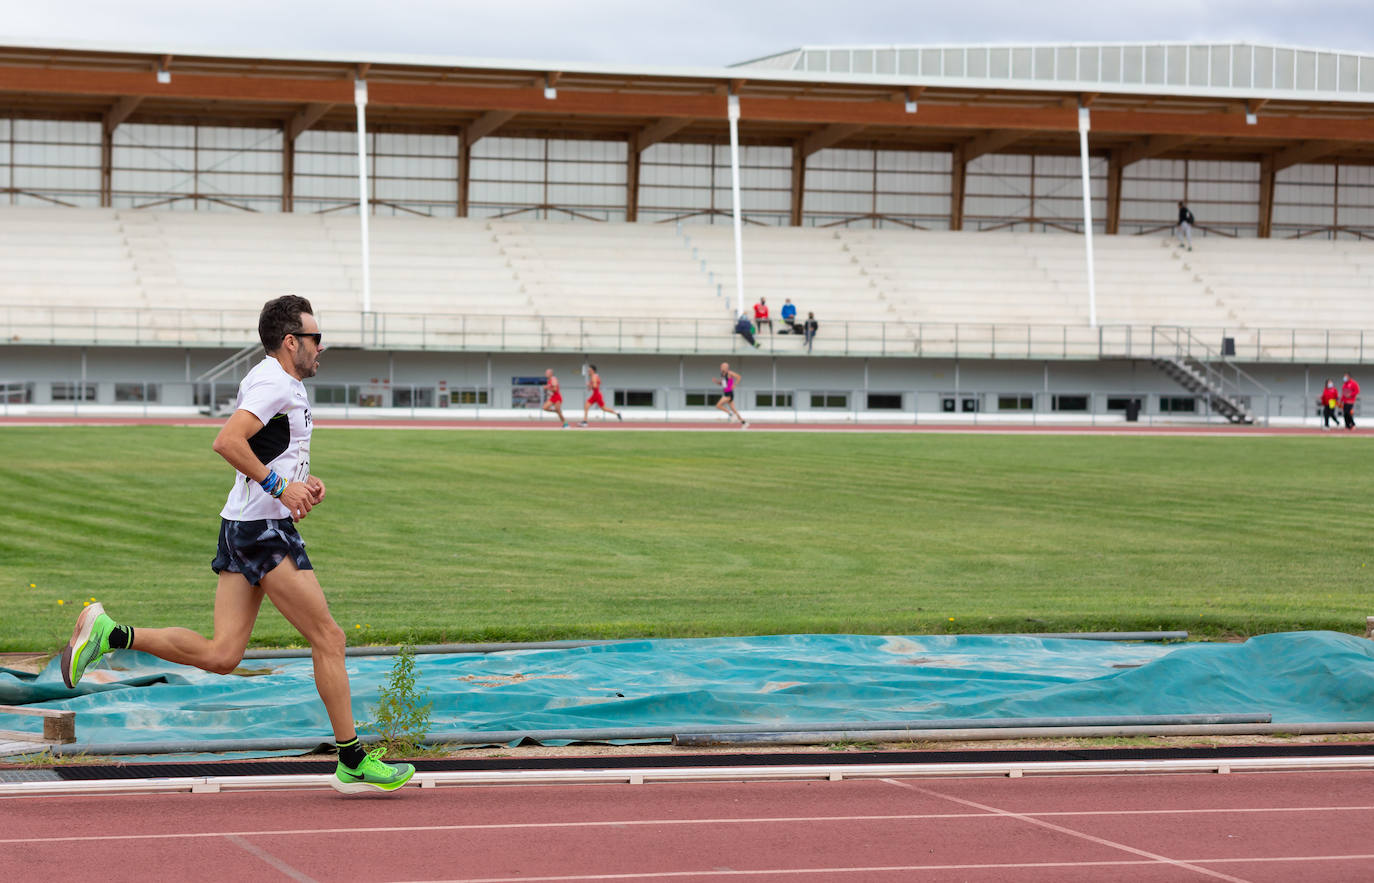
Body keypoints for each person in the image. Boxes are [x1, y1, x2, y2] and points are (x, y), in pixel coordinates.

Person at [58, 295, 414, 794]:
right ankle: (352, 759)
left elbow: (266, 447)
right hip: (264, 529)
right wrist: (279, 488)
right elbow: (227, 441)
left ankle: (111, 634)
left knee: (224, 653)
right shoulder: (273, 381)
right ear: (291, 342)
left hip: (246, 523)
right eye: (316, 339)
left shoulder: (273, 377)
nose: (321, 348)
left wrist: (302, 482)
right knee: (329, 637)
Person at [715, 362, 747, 428]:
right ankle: (744, 422)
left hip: (729, 393)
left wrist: (735, 385)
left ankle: (730, 414)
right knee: (733, 409)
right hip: (726, 392)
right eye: (721, 366)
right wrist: (717, 382)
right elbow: (723, 384)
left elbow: (738, 377)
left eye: (722, 366)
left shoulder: (729, 373)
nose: (721, 367)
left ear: (726, 367)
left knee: (718, 405)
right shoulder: (722, 374)